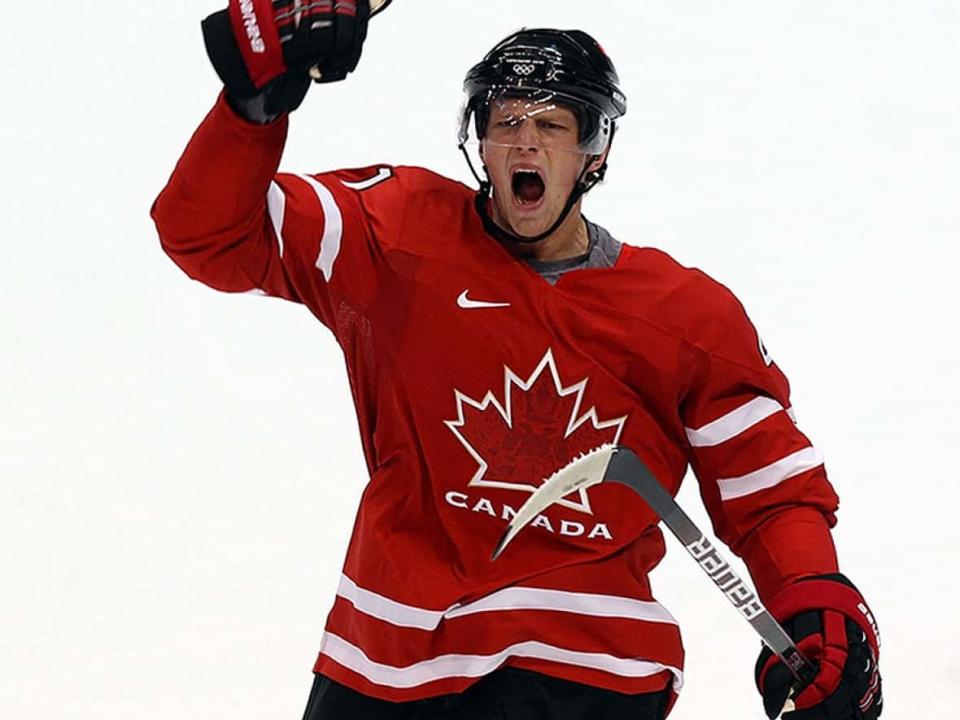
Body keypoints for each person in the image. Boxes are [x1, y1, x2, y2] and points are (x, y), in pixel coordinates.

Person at [152, 2, 883, 718]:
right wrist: (249, 111)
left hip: (584, 664)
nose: (525, 143)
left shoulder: (685, 315)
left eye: (551, 125)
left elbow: (770, 487)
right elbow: (207, 235)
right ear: (479, 142)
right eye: (505, 123)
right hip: (387, 657)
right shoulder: (393, 232)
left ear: (593, 151)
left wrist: (809, 591)